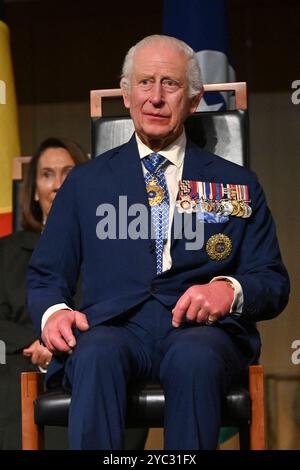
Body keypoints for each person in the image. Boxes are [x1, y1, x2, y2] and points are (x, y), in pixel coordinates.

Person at [27, 35, 290, 450]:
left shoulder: (237, 183)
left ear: (194, 99)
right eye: (145, 83)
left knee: (194, 358)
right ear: (127, 94)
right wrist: (55, 314)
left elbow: (272, 280)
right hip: (113, 328)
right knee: (95, 355)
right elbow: (46, 275)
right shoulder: (85, 183)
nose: (156, 97)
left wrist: (229, 290)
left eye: (170, 84)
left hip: (198, 331)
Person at [0, 137, 89, 449]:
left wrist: (59, 341)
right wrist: (35, 341)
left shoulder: (105, 245)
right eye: (47, 175)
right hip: (18, 363)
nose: (57, 185)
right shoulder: (7, 251)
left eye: (67, 173)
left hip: (85, 353)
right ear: (34, 190)